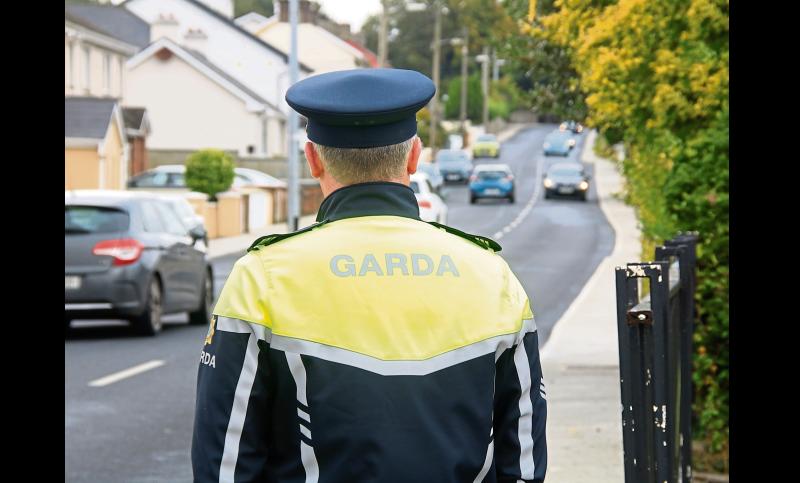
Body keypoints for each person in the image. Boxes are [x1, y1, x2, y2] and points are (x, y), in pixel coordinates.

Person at [191, 68, 547, 483]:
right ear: (415, 156)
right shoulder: (492, 275)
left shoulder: (262, 277)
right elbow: (522, 459)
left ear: (312, 159)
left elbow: (225, 464)